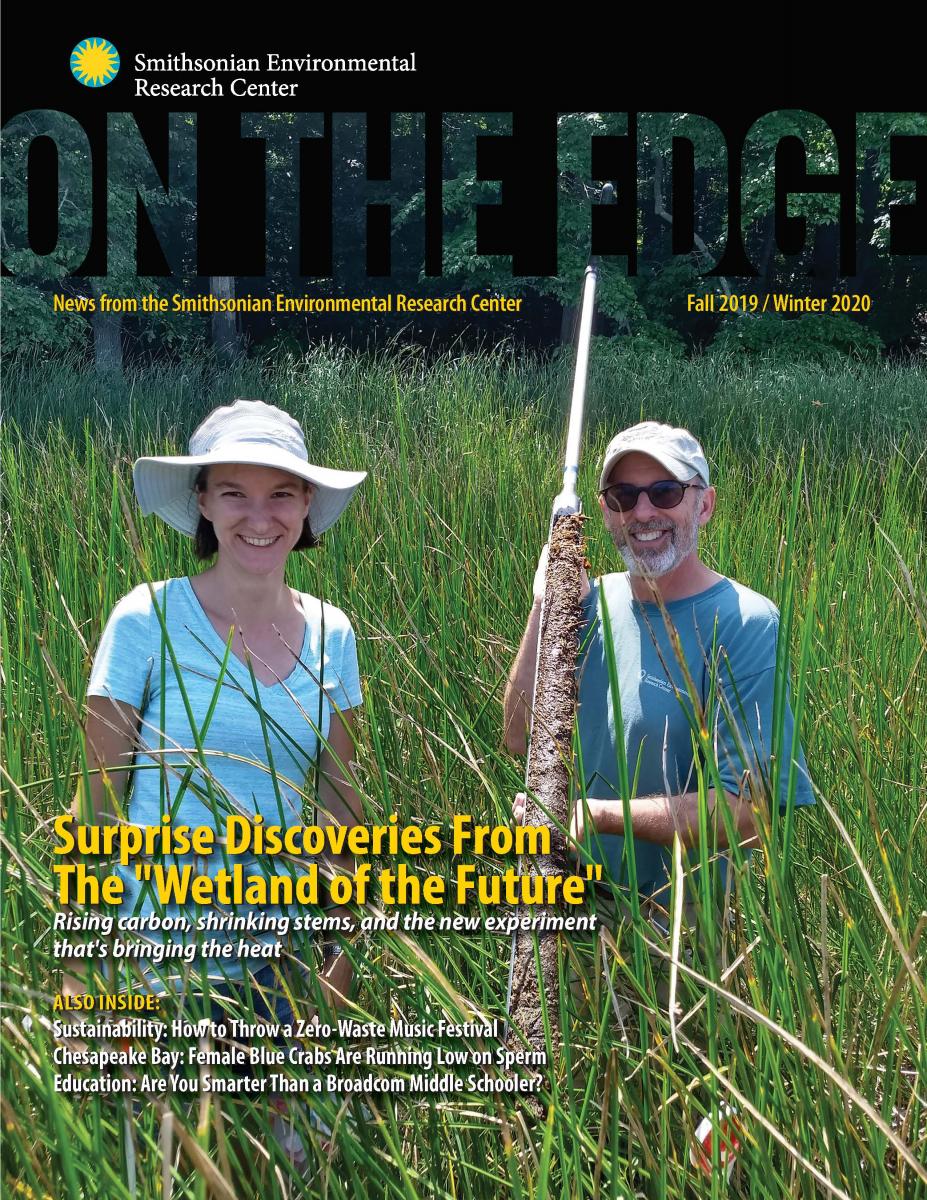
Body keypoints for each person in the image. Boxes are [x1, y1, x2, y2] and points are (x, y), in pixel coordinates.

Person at [63, 398, 367, 1162]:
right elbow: (96, 803)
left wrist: (337, 958)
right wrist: (78, 976)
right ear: (201, 501)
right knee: (159, 1167)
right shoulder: (145, 620)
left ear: (306, 508)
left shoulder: (334, 633)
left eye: (281, 494)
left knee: (299, 1165)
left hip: (282, 961)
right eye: (234, 493)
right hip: (155, 963)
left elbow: (339, 809)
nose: (258, 517)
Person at [504, 421, 814, 1021]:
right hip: (568, 910)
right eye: (624, 496)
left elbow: (747, 813)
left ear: (705, 502)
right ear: (605, 511)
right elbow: (521, 735)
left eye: (665, 492)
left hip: (684, 935)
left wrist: (593, 818)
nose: (643, 511)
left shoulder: (746, 623)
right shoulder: (586, 601)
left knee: (666, 1107)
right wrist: (547, 598)